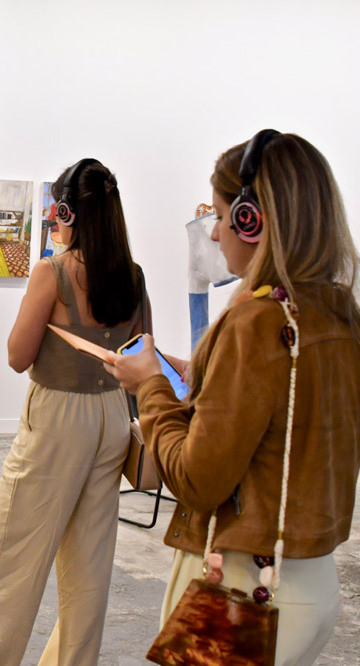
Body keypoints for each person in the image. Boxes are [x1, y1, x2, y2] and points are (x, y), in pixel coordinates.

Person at [107, 130, 360, 665]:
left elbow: (197, 479)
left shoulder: (256, 320)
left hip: (244, 589)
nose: (217, 233)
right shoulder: (337, 311)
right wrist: (203, 376)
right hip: (311, 584)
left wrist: (150, 386)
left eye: (222, 216)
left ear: (253, 220)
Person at [0, 158, 146, 665]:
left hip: (58, 417)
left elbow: (17, 356)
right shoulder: (132, 275)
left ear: (68, 212)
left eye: (57, 210)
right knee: (89, 564)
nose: (53, 218)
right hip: (113, 416)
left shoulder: (52, 272)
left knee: (10, 555)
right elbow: (142, 352)